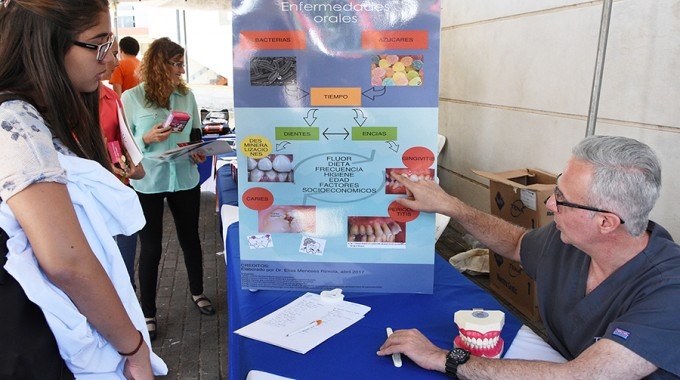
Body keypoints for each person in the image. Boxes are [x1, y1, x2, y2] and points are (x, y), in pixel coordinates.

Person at [378, 135, 680, 379]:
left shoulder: (669, 292)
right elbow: (517, 243)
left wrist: (443, 358)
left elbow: (581, 376)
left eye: (561, 199)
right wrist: (451, 206)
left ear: (605, 223)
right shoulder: (570, 240)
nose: (549, 204)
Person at [0, 0, 166, 378]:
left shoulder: (30, 114)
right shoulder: (13, 120)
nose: (109, 61)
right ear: (46, 43)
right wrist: (135, 349)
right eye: (99, 44)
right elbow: (67, 261)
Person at [121, 37, 215, 342]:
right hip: (148, 180)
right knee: (150, 247)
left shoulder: (186, 96)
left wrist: (198, 150)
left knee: (191, 238)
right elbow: (123, 145)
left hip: (184, 176)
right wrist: (147, 138)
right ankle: (148, 312)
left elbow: (197, 132)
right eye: (176, 63)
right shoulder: (131, 99)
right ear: (160, 65)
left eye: (181, 62)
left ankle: (198, 292)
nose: (181, 69)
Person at [100, 37, 145, 288]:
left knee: (125, 279)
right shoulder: (53, 104)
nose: (114, 61)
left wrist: (131, 165)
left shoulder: (112, 98)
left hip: (118, 194)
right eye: (108, 51)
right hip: (85, 208)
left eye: (116, 52)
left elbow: (125, 143)